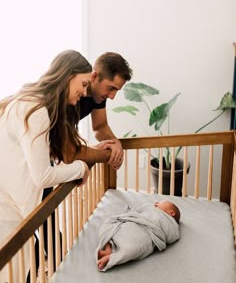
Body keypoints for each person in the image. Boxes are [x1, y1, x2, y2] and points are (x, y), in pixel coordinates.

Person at [0, 49, 112, 282]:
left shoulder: (27, 99)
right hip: (9, 204)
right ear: (67, 76)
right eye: (82, 83)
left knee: (25, 263)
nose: (84, 91)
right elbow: (42, 175)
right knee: (19, 267)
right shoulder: (37, 111)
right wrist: (82, 168)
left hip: (10, 196)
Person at [79, 52, 133, 170]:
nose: (112, 96)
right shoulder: (72, 95)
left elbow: (100, 127)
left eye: (116, 90)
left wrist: (115, 143)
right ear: (94, 77)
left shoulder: (99, 95)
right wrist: (95, 152)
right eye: (111, 88)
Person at [96, 200, 180, 271]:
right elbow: (137, 211)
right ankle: (108, 247)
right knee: (109, 224)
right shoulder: (150, 208)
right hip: (133, 224)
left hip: (146, 235)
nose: (157, 203)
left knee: (133, 249)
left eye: (161, 203)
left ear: (171, 213)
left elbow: (172, 236)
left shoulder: (170, 223)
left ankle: (110, 258)